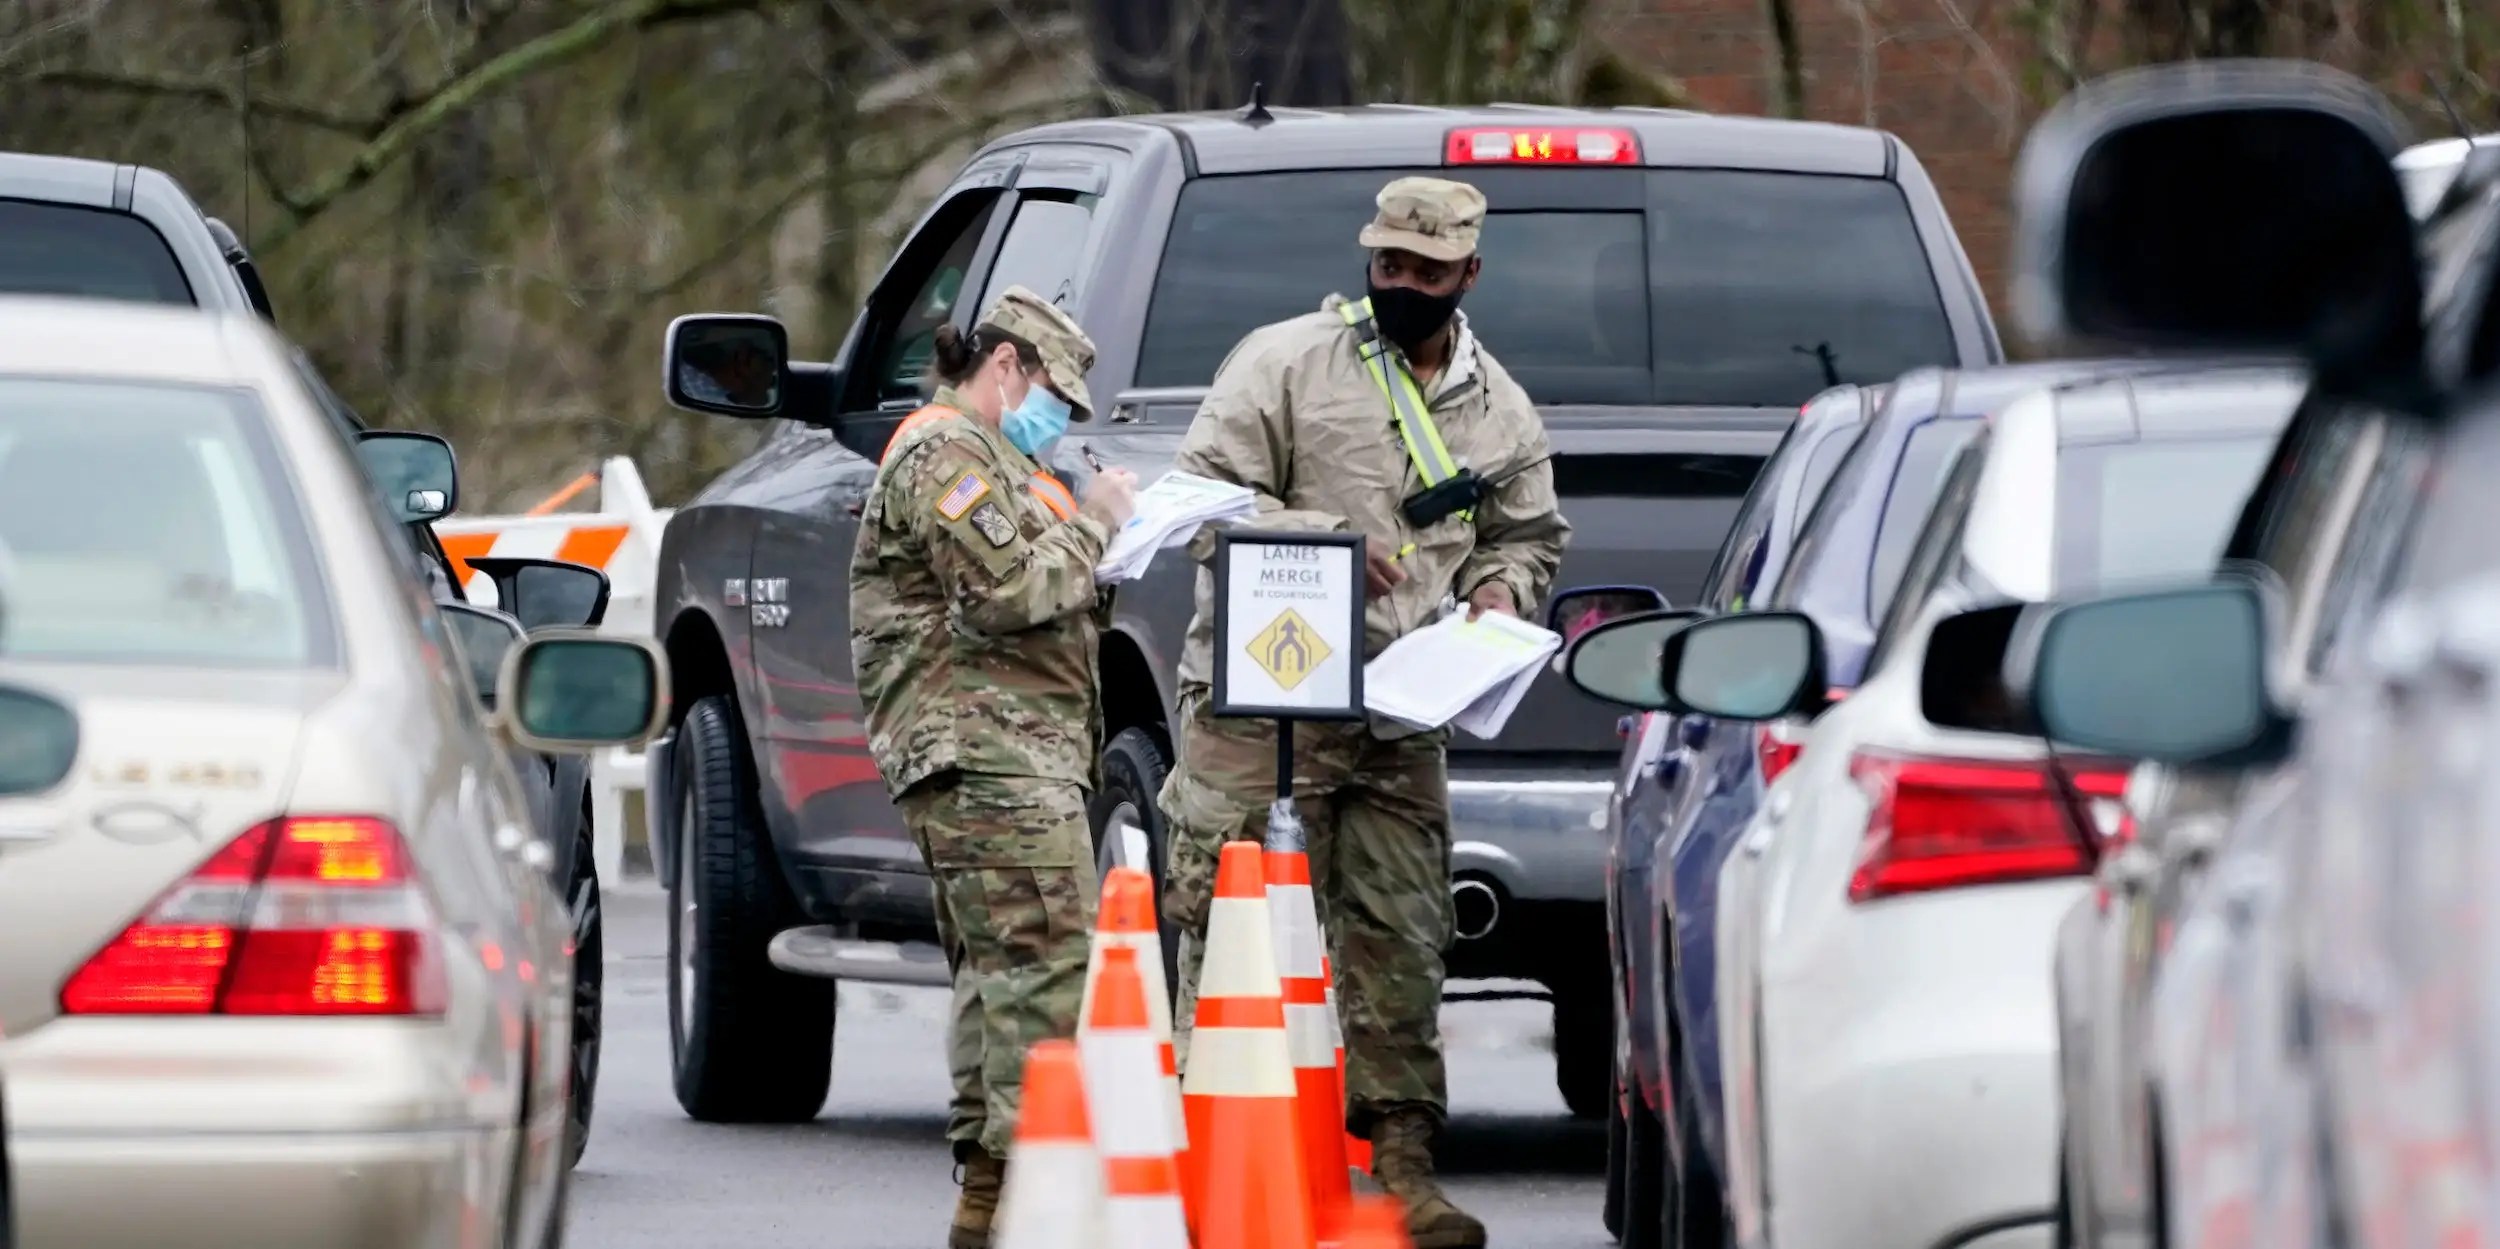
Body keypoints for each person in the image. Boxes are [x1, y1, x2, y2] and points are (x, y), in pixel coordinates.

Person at [1158, 176, 1571, 1248]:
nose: (1401, 285)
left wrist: (1497, 594)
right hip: (1263, 703)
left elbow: (1529, 538)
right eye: (1387, 265)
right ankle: (1207, 1164)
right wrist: (1325, 546)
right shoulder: (1286, 363)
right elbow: (1199, 498)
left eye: (1425, 273)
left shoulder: (1501, 410)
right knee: (1228, 922)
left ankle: (1401, 1165)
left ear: (1467, 278)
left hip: (1401, 709)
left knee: (1401, 935)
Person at [846, 285, 1138, 1249]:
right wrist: (1096, 523)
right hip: (991, 760)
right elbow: (1007, 588)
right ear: (1005, 365)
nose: (1060, 421)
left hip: (1005, 757)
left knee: (999, 977)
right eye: (1055, 392)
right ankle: (1023, 1203)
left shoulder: (990, 458)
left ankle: (986, 1201)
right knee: (1044, 978)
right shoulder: (947, 453)